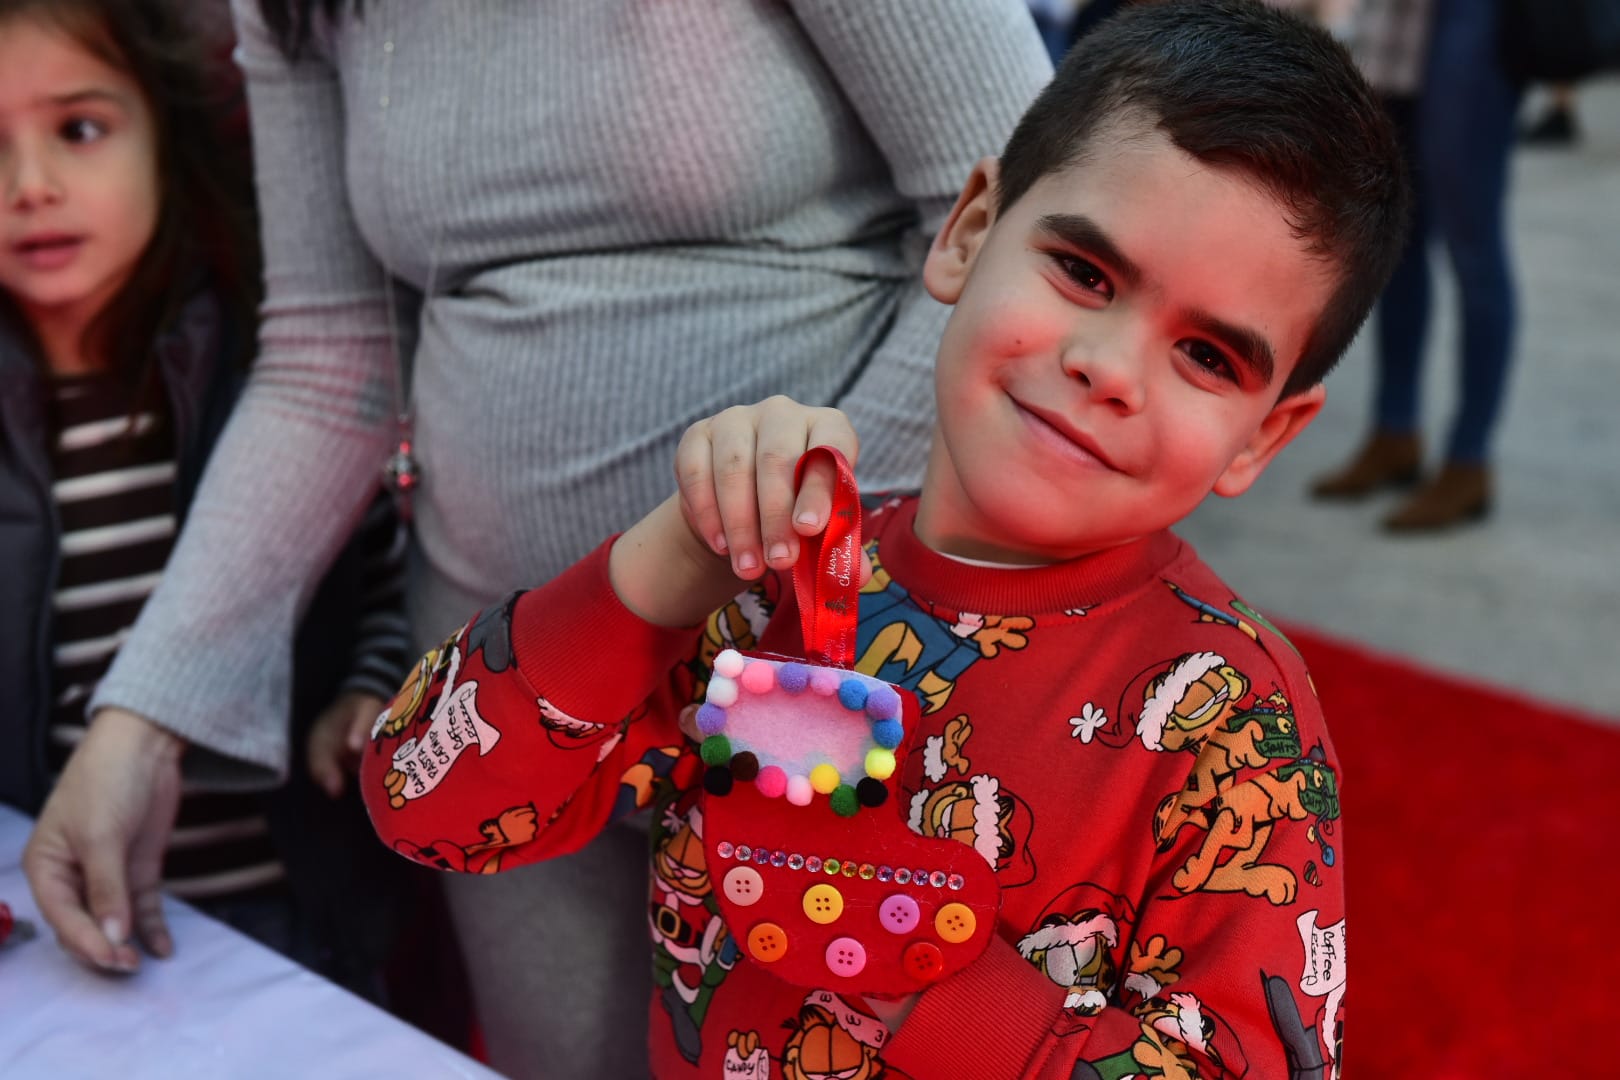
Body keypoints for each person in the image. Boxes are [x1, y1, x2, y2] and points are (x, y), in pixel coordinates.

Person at [360, 3, 1408, 1075]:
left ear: (1264, 436)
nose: (1109, 367)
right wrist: (672, 558)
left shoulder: (1232, 717)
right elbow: (426, 804)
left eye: (1207, 357)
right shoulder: (767, 600)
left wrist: (895, 939)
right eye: (1085, 274)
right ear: (967, 232)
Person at [22, 0, 1052, 1074]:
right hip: (513, 695)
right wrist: (139, 723)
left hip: (821, 671)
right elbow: (333, 359)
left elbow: (1031, 220)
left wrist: (788, 544)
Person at [1, 0, 411, 999]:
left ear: (166, 134)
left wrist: (371, 685)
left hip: (297, 921)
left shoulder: (270, 388)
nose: (30, 187)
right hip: (63, 924)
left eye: (80, 130)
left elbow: (382, 565)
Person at [1310, 0, 1523, 530]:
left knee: (1474, 248)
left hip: (1475, 21)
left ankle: (1468, 458)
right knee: (1395, 233)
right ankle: (1395, 430)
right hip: (1395, 24)